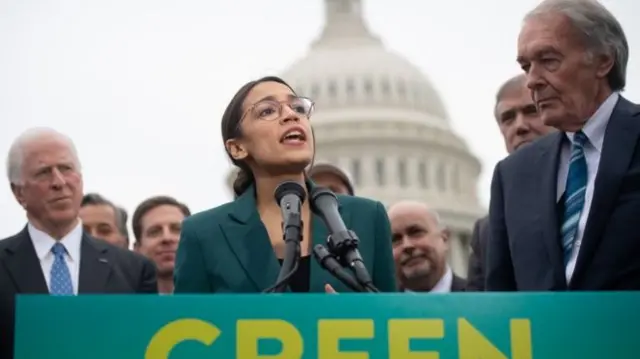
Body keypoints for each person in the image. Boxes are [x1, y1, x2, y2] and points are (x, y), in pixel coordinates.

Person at [174, 76, 397, 293]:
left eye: (298, 108)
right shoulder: (204, 234)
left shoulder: (368, 217)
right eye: (267, 111)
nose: (291, 115)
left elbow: (391, 320)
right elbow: (186, 326)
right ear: (237, 148)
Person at [487, 0, 640, 291]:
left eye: (549, 60)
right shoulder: (512, 175)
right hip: (543, 337)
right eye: (526, 65)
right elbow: (501, 297)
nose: (531, 81)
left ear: (603, 60)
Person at [0, 128, 157, 359]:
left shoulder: (134, 270)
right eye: (44, 173)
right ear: (18, 192)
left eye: (66, 169)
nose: (59, 182)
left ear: (80, 179)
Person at [466, 74, 554, 291]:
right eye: (508, 118)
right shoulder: (486, 232)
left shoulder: (588, 192)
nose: (520, 126)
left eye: (531, 111)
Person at [388, 201, 466, 292]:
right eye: (396, 239)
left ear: (444, 238)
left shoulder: (481, 299)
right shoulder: (378, 305)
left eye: (416, 232)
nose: (407, 245)